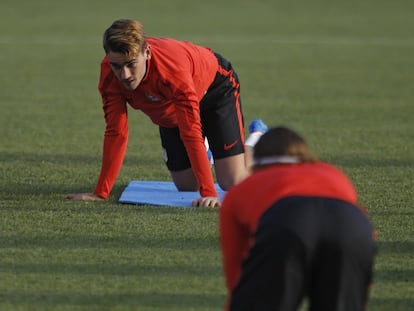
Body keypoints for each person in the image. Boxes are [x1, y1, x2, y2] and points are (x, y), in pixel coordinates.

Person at [65, 19, 267, 207]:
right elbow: (116, 133)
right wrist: (100, 192)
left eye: (131, 64)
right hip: (170, 111)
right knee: (187, 187)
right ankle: (210, 151)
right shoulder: (110, 77)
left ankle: (256, 139)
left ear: (147, 53)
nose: (124, 75)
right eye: (116, 66)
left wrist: (208, 192)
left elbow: (190, 131)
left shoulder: (171, 71)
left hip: (214, 90)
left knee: (231, 181)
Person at [219, 126, 377, 311]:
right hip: (352, 227)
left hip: (288, 221)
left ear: (258, 162)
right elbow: (361, 226)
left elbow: (236, 265)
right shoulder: (333, 173)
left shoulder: (243, 188)